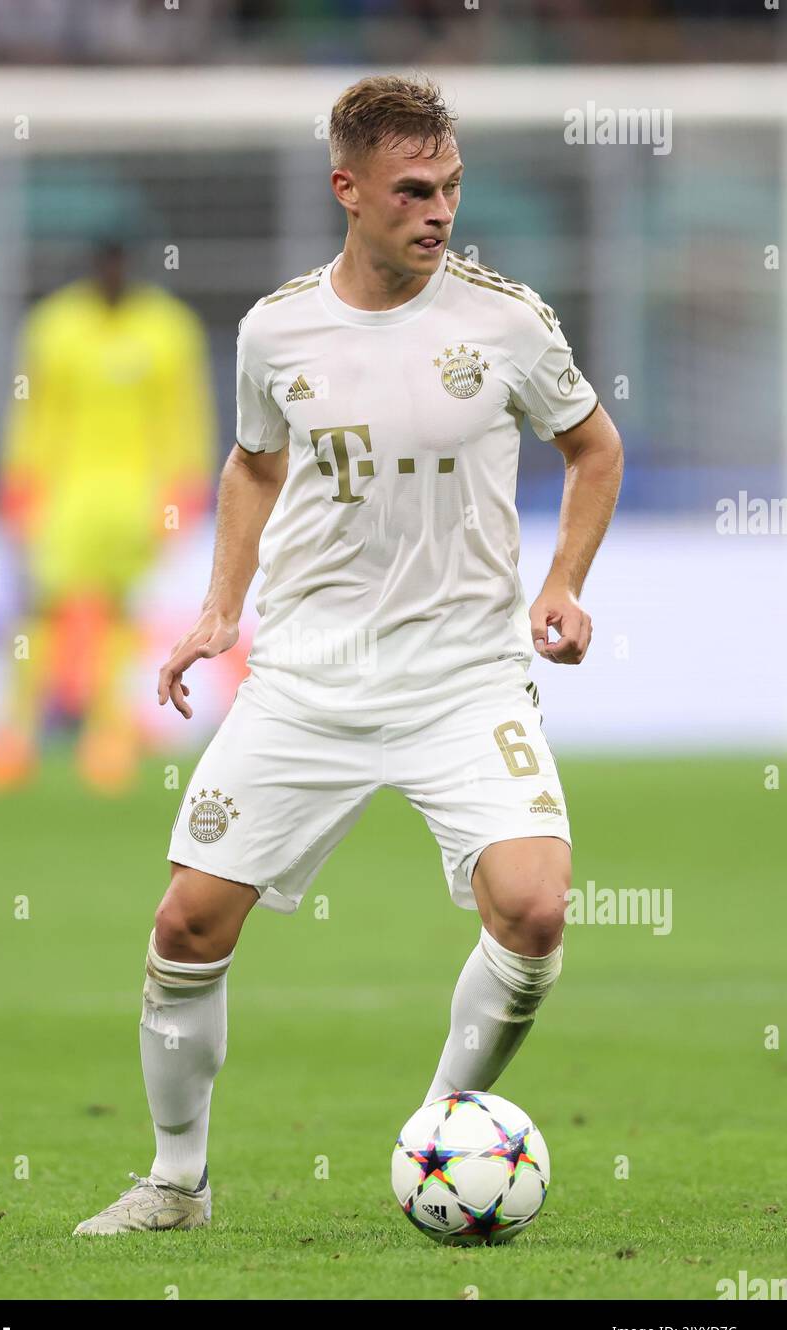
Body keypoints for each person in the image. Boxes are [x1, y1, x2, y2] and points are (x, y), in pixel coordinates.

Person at [74, 75, 623, 1234]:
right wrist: (220, 609)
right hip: (310, 677)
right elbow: (252, 466)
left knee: (533, 908)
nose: (439, 213)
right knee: (185, 925)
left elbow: (593, 447)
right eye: (415, 192)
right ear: (349, 190)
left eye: (452, 189)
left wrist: (562, 583)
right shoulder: (277, 329)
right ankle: (176, 1183)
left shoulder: (505, 321)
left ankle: (436, 1133)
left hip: (463, 675)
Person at [0, 241, 215, 794]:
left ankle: (108, 735)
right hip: (66, 495)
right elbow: (32, 413)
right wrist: (19, 483)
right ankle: (13, 735)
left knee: (121, 615)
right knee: (43, 609)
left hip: (138, 498)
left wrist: (187, 489)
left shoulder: (168, 329)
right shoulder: (54, 327)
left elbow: (186, 415)